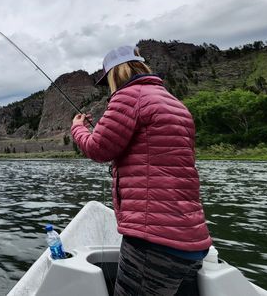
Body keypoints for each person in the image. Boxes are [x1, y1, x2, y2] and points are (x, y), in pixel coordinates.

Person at [71, 45, 212, 296]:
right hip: (190, 237)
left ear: (115, 73)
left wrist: (78, 128)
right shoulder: (174, 102)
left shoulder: (128, 97)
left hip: (153, 240)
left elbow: (98, 149)